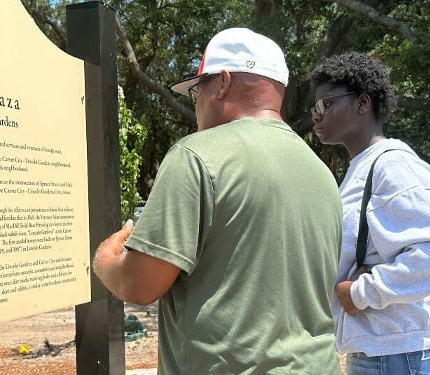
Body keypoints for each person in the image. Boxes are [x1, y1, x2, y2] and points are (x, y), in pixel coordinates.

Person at [93, 27, 343, 374]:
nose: (196, 103)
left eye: (198, 89)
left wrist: (105, 258)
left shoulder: (195, 156)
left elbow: (139, 284)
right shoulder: (321, 174)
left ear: (223, 83)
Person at [309, 51, 430, 375]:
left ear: (363, 103)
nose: (316, 116)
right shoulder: (363, 168)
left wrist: (360, 294)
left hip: (397, 353)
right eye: (314, 108)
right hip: (380, 350)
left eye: (325, 104)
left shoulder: (391, 164)